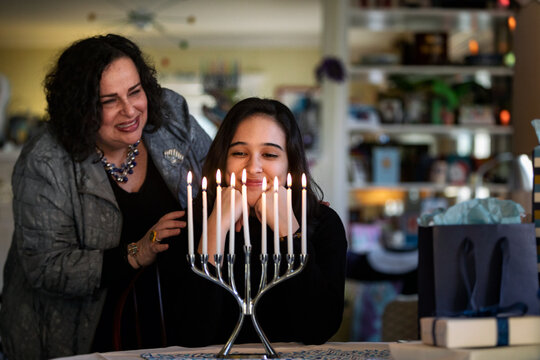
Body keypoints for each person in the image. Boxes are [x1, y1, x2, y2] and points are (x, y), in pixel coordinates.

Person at [0, 34, 211, 359]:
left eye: (135, 91)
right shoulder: (45, 161)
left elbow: (220, 172)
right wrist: (136, 252)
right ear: (80, 109)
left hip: (173, 319)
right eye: (108, 101)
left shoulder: (169, 112)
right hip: (82, 334)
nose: (130, 110)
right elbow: (45, 267)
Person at [168, 97, 347, 346]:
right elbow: (191, 334)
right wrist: (215, 229)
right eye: (239, 152)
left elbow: (317, 329)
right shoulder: (192, 223)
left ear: (290, 164)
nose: (253, 167)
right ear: (223, 159)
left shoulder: (322, 224)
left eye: (270, 154)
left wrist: (289, 231)